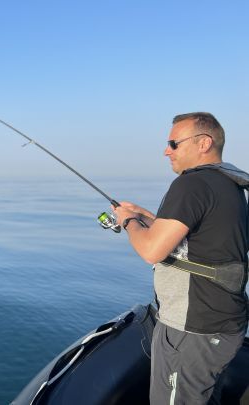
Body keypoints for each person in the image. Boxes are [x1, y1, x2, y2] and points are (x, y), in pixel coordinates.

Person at [112, 112, 248, 404]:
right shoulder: (227, 183)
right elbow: (198, 239)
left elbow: (151, 251)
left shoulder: (191, 185)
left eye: (174, 143)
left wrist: (127, 222)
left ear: (203, 143)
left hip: (193, 328)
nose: (166, 151)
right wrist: (147, 217)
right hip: (224, 322)